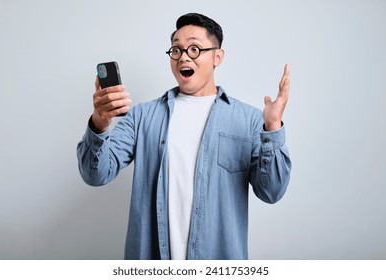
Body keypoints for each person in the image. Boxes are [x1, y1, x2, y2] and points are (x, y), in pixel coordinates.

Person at [77, 13, 291, 260]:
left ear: (217, 57)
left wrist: (273, 127)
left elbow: (272, 192)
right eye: (176, 50)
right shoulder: (141, 117)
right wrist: (100, 123)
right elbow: (96, 175)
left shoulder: (251, 121)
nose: (183, 57)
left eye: (194, 49)